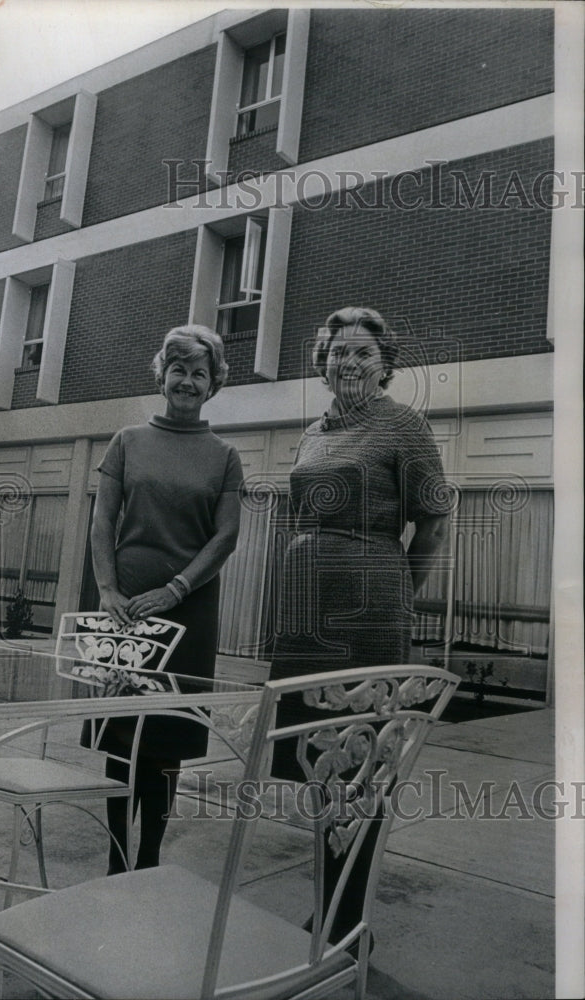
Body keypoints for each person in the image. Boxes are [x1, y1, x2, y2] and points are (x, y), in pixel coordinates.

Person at [269, 306, 452, 946]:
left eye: (362, 353)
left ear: (384, 365)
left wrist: (398, 592)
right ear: (323, 362)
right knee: (317, 761)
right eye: (337, 351)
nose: (348, 362)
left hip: (370, 608)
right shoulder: (313, 432)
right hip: (306, 610)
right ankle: (330, 902)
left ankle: (352, 921)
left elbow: (431, 522)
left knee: (361, 762)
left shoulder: (405, 426)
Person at [90, 325, 243, 874]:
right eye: (178, 369)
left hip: (189, 610)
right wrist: (108, 589)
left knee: (166, 739)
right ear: (163, 374)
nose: (187, 380)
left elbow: (225, 538)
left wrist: (176, 589)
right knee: (120, 735)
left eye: (199, 372)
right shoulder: (127, 441)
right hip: (125, 609)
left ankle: (149, 858)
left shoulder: (224, 456)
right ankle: (113, 859)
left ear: (213, 383)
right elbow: (103, 520)